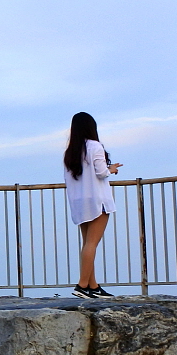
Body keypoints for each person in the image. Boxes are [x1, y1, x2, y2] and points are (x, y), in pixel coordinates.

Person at [64, 112, 122, 298]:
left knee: (87, 244)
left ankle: (93, 286)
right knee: (92, 244)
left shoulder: (71, 151)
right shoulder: (95, 146)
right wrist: (111, 169)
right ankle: (82, 285)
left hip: (80, 202)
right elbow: (101, 172)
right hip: (98, 200)